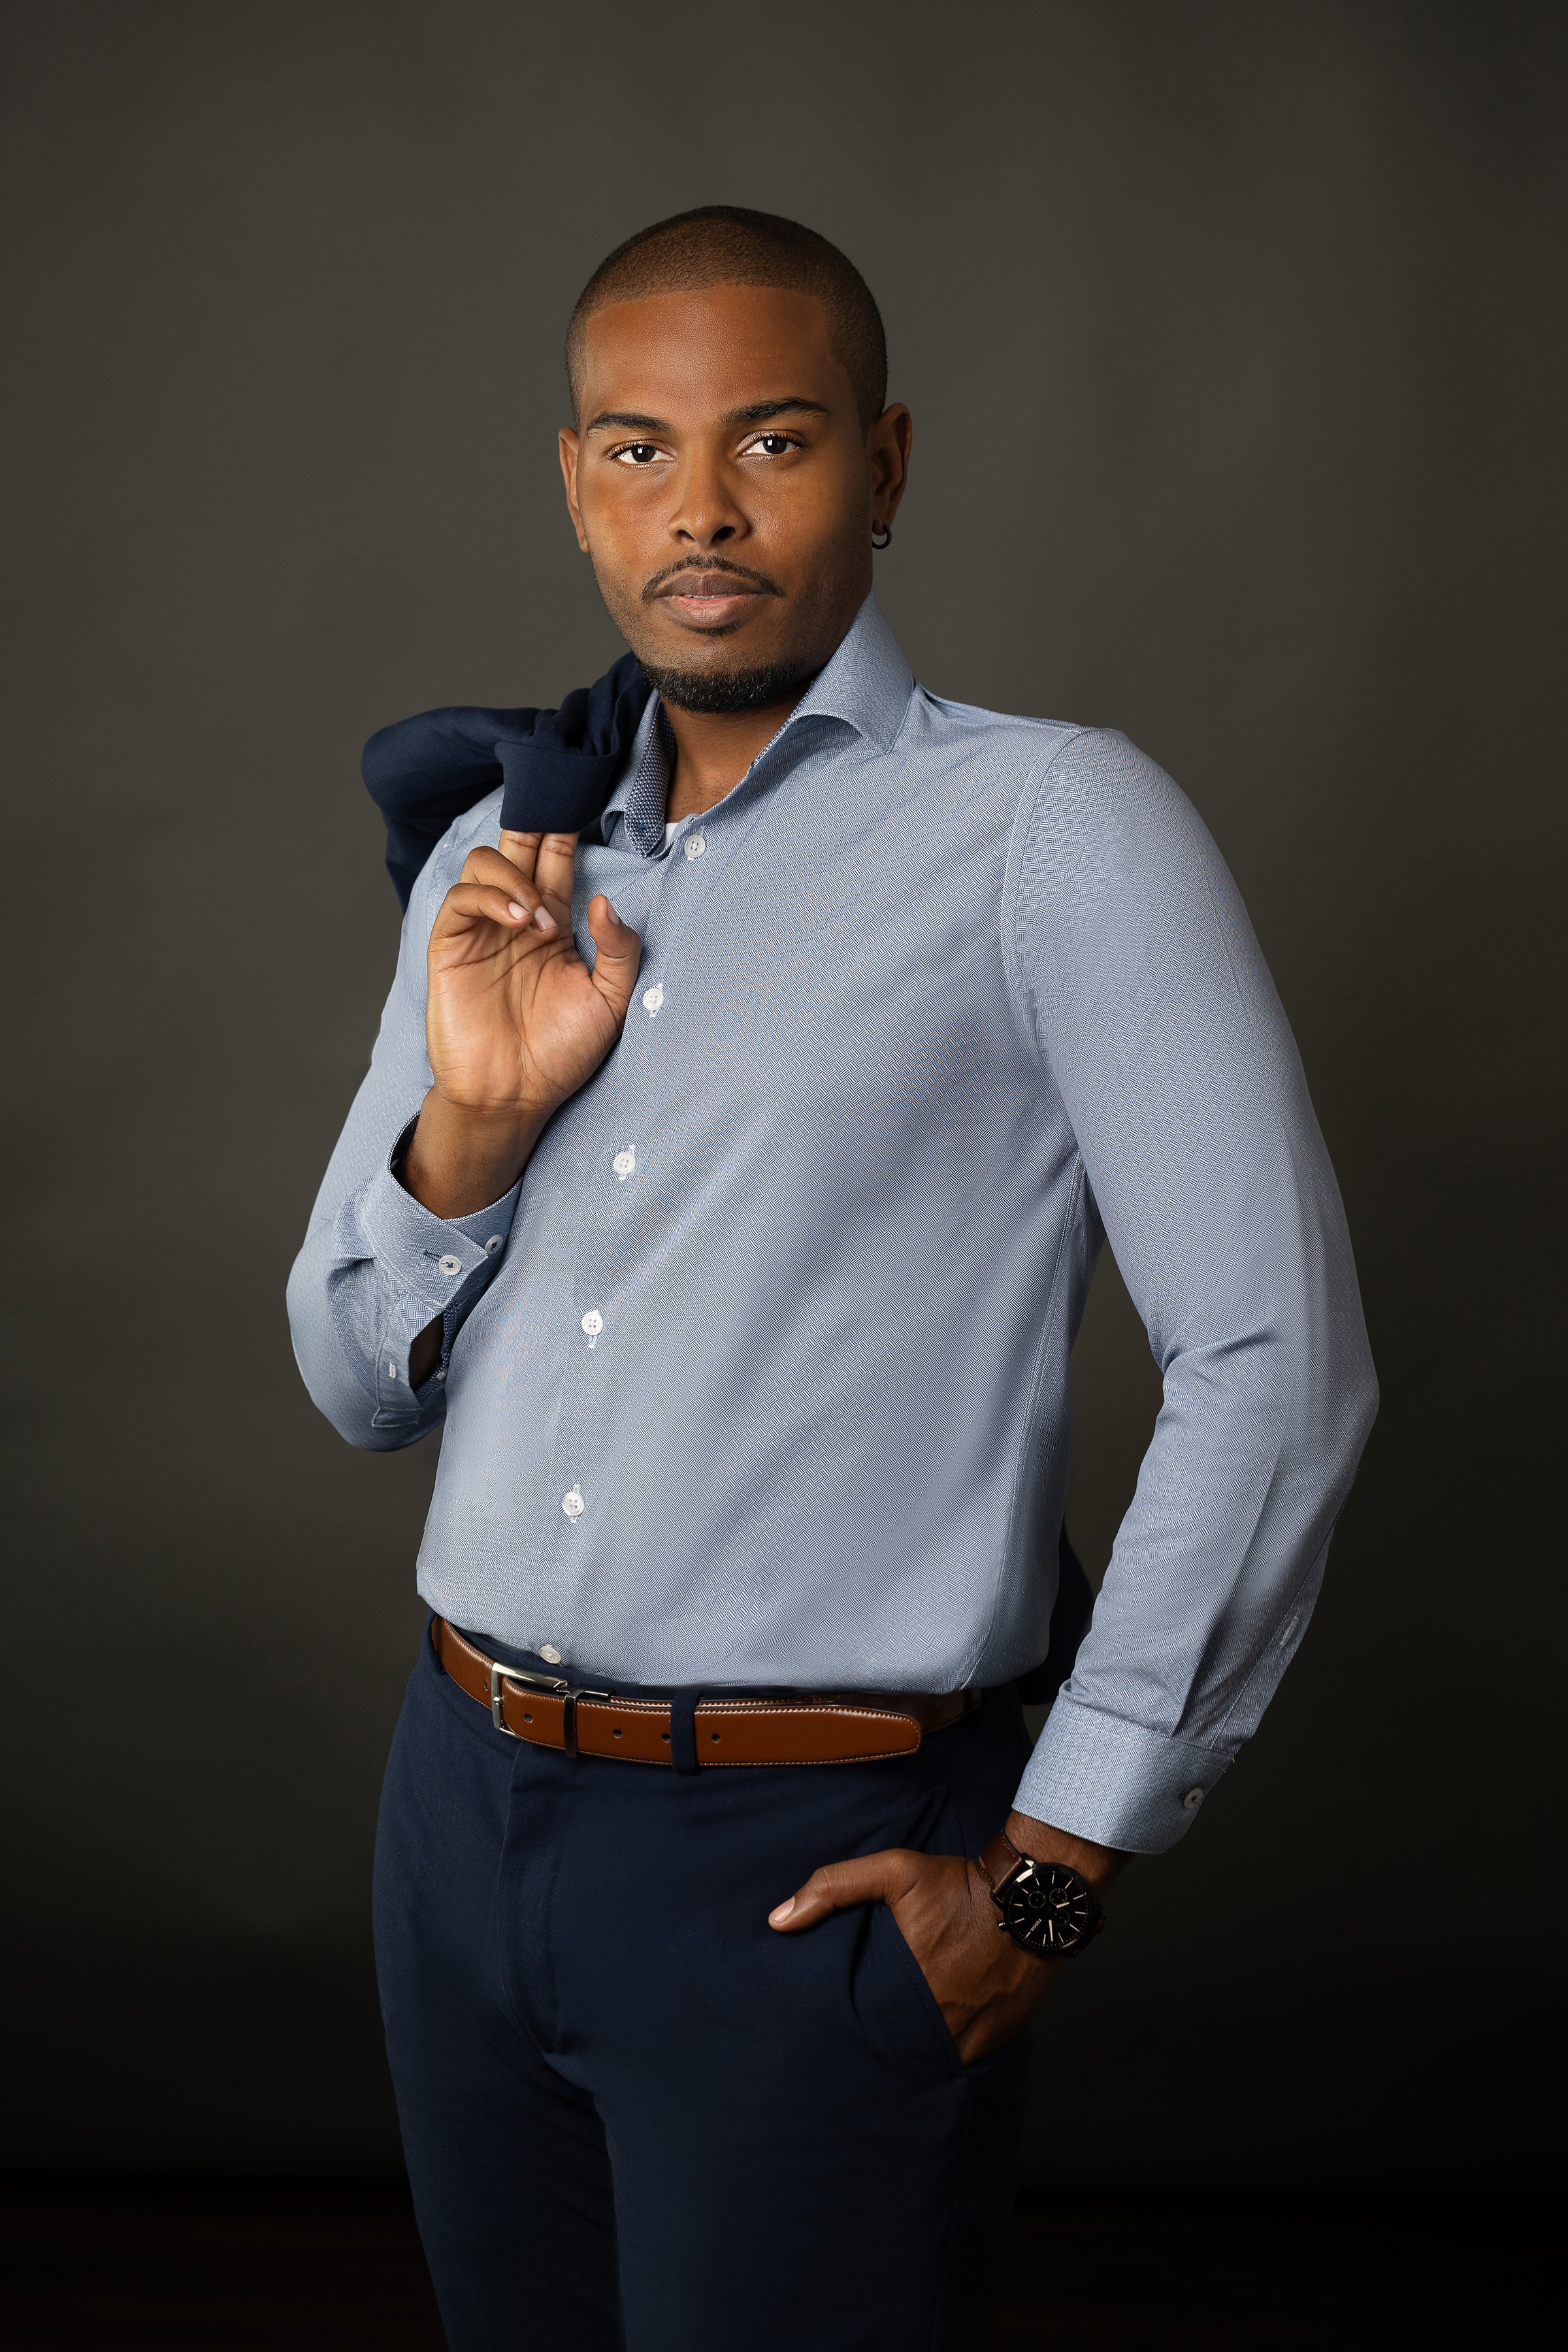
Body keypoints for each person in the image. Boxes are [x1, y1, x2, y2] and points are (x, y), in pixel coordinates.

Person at [287, 206, 1377, 2350]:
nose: (697, 508)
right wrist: (475, 1136)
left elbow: (1277, 1368)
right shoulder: (506, 862)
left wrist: (1053, 1879)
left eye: (768, 441)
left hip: (808, 1875)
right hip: (458, 1817)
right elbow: (348, 1376)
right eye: (634, 450)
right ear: (576, 487)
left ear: (882, 463)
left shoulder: (1056, 829)